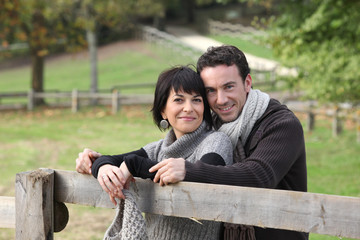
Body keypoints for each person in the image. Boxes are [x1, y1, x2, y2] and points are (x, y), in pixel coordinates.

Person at [77, 46, 308, 240]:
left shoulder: (281, 124)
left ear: (247, 82)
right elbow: (130, 157)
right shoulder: (214, 121)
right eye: (210, 91)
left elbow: (258, 176)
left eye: (229, 86)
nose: (220, 99)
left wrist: (186, 170)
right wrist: (97, 164)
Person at [76, 65, 233, 240]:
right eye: (179, 100)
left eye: (196, 100)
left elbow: (206, 173)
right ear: (163, 110)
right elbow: (111, 160)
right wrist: (101, 166)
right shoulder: (158, 149)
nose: (189, 108)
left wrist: (135, 165)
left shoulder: (216, 141)